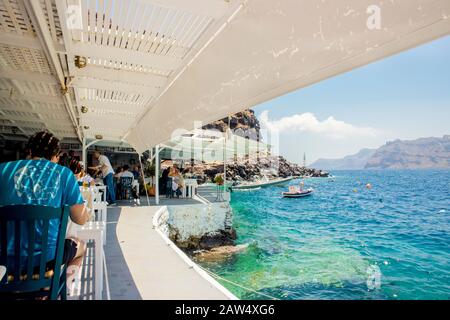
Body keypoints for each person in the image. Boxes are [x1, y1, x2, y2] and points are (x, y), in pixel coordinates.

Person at [0, 131, 91, 290]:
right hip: (47, 260)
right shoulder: (64, 175)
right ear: (56, 156)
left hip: (6, 262)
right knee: (82, 247)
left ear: (28, 152)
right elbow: (80, 219)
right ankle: (57, 288)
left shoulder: (3, 170)